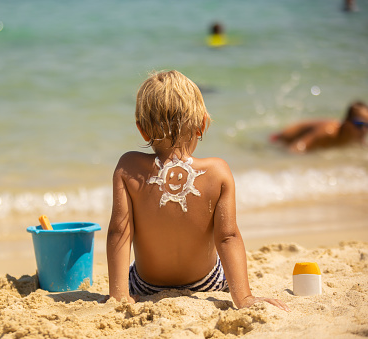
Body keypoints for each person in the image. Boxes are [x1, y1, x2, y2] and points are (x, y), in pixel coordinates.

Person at [105, 70, 289, 311]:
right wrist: (244, 297)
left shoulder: (128, 168)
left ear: (142, 130)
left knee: (131, 274)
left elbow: (119, 231)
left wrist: (119, 294)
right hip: (207, 283)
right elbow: (228, 237)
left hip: (145, 285)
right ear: (202, 124)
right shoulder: (218, 172)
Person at [270, 101, 368, 153]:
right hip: (280, 139)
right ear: (347, 122)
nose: (364, 130)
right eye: (359, 124)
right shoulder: (328, 132)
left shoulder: (357, 137)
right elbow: (296, 149)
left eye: (367, 126)